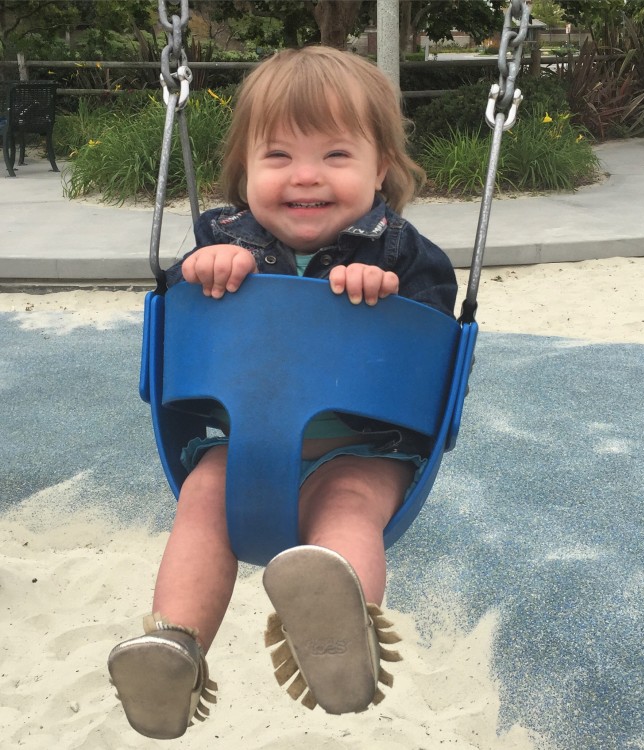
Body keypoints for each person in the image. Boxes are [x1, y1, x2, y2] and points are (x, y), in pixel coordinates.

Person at [108, 45, 457, 740]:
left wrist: (387, 301)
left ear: (379, 168)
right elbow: (184, 324)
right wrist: (198, 273)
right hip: (245, 443)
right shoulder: (220, 239)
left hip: (362, 444)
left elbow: (435, 345)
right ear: (244, 171)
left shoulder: (401, 255)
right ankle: (175, 645)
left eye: (335, 155)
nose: (306, 177)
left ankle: (340, 629)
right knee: (204, 499)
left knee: (350, 507)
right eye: (277, 157)